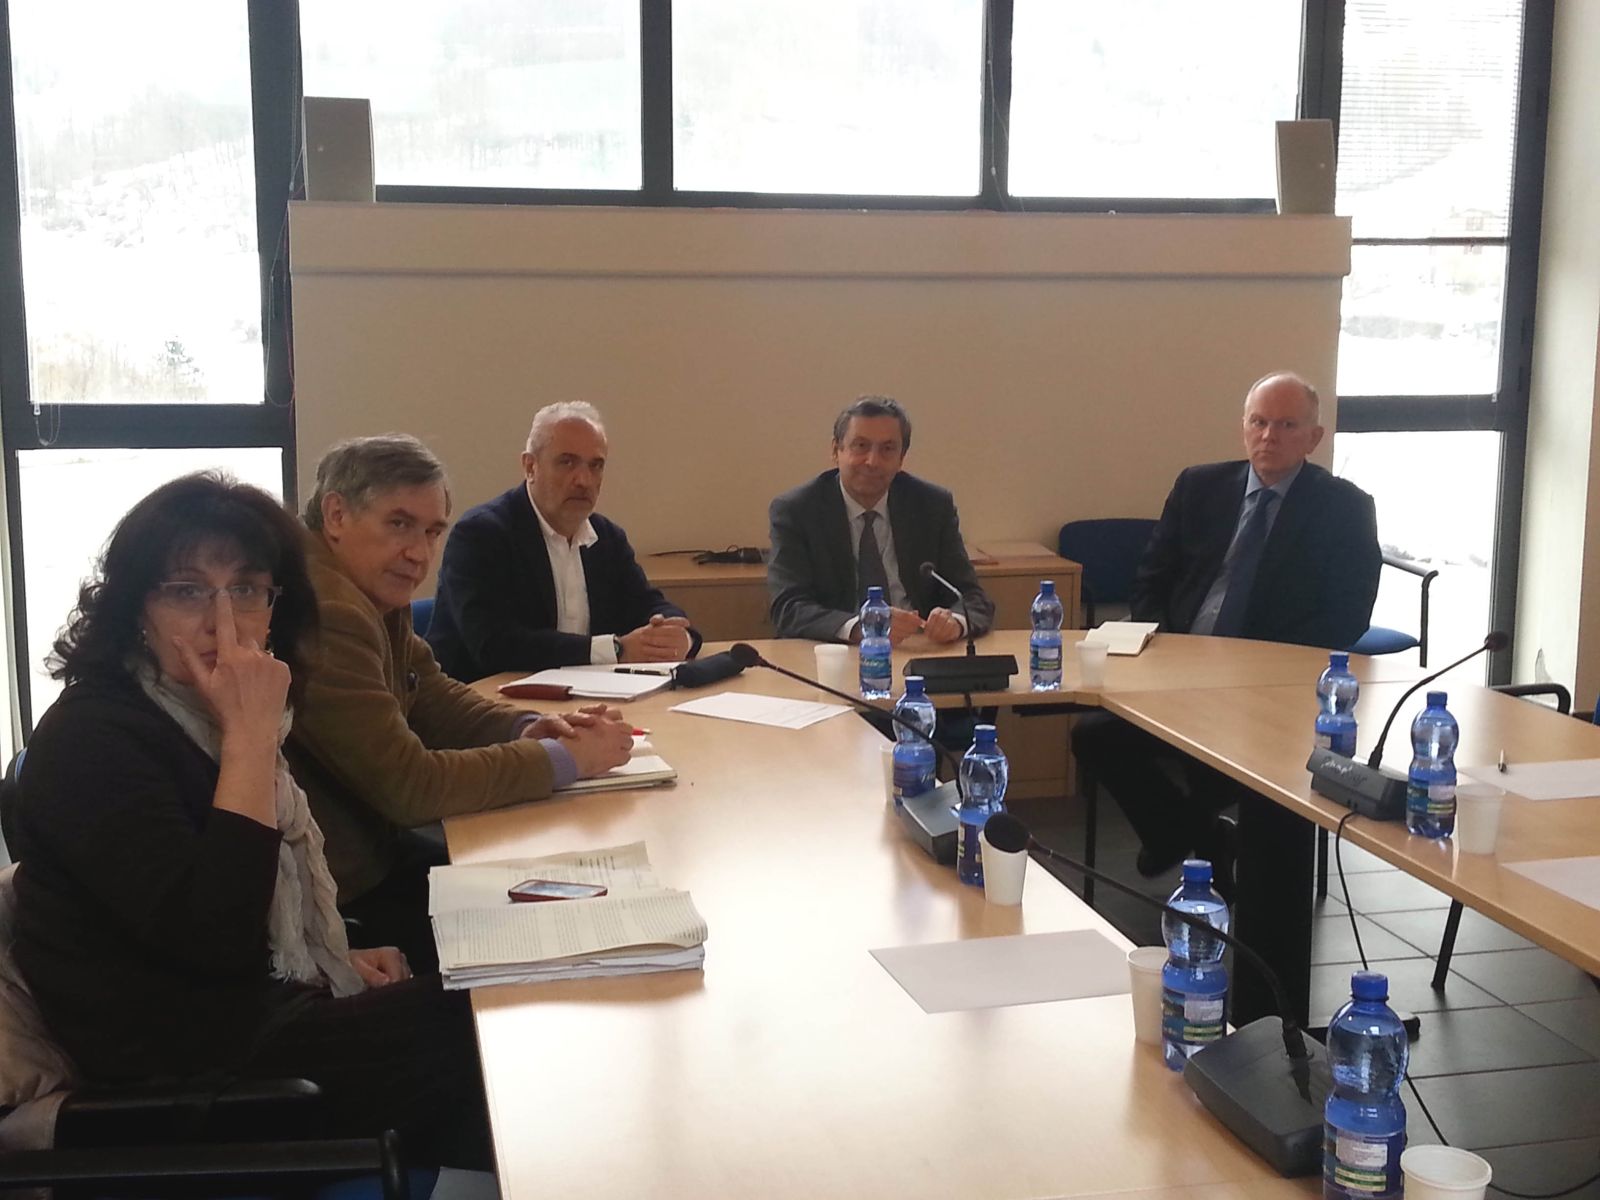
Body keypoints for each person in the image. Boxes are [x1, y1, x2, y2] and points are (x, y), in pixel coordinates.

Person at [11, 473, 494, 1169]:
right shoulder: (91, 741)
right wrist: (249, 737)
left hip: (255, 1015)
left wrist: (334, 958)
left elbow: (243, 913)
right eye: (186, 591)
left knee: (516, 1005)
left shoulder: (197, 715)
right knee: (498, 1025)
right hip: (189, 1073)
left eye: (246, 589)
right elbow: (213, 938)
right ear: (135, 606)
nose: (224, 621)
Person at [289, 434, 633, 969]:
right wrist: (564, 759)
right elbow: (412, 787)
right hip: (344, 894)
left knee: (564, 886)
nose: (419, 554)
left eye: (431, 532)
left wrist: (530, 728)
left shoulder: (362, 584)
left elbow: (433, 694)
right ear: (336, 514)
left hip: (375, 854)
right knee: (565, 932)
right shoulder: (326, 609)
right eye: (399, 524)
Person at [1072, 372, 1382, 885]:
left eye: (1286, 425)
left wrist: (1254, 665)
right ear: (1243, 427)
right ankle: (1193, 833)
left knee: (1223, 764)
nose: (1269, 436)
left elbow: (1347, 614)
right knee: (1094, 735)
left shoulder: (1344, 507)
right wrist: (1169, 648)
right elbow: (1151, 579)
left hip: (1268, 688)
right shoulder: (1199, 486)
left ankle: (1205, 847)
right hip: (1178, 673)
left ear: (1314, 438)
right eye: (1258, 422)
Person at [427, 401, 701, 681]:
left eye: (595, 466)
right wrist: (615, 649)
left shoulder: (607, 538)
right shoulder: (481, 534)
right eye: (567, 462)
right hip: (482, 698)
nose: (583, 480)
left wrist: (679, 636)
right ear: (530, 467)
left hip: (586, 696)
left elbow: (648, 604)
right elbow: (493, 644)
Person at [767, 395, 994, 643]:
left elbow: (971, 596)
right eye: (860, 446)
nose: (872, 462)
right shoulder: (797, 510)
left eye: (887, 449)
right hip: (837, 649)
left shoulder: (931, 506)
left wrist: (956, 622)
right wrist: (862, 627)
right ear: (835, 451)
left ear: (901, 458)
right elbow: (788, 607)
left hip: (918, 646)